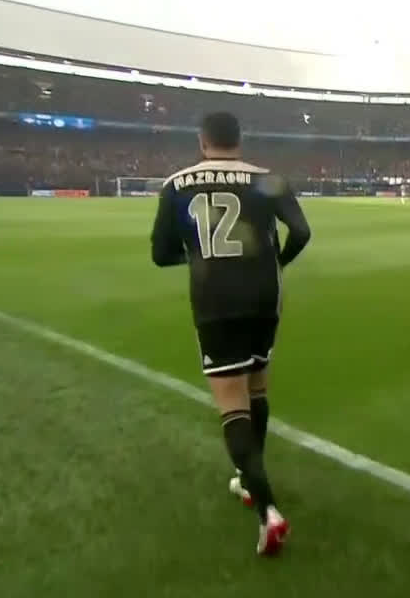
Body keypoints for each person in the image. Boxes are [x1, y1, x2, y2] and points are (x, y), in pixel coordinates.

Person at [150, 111, 311, 556]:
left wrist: (198, 255)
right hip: (264, 296)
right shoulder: (267, 178)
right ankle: (247, 479)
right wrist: (278, 260)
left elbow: (160, 253)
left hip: (215, 299)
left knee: (232, 405)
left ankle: (268, 511)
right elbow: (301, 231)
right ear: (240, 140)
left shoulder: (176, 184)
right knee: (256, 387)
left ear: (202, 142)